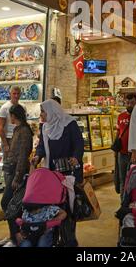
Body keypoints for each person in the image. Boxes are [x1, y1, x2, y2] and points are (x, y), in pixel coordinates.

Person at [31, 99, 84, 246]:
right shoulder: (45, 127)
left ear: (52, 112)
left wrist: (75, 157)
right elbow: (42, 145)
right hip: (52, 174)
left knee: (69, 207)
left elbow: (79, 143)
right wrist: (37, 156)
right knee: (54, 207)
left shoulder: (69, 124)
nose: (41, 114)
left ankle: (69, 239)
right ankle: (53, 237)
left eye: (43, 111)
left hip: (69, 173)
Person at [0, 105, 33, 248]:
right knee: (12, 205)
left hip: (18, 173)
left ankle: (16, 236)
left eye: (11, 116)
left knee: (8, 203)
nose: (9, 118)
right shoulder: (19, 129)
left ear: (14, 115)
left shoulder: (24, 131)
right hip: (13, 171)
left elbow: (23, 155)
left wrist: (17, 178)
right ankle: (14, 235)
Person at [0, 86, 27, 179]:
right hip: (8, 138)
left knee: (18, 163)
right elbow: (0, 127)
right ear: (10, 94)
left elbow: (24, 122)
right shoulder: (4, 108)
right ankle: (8, 187)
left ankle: (16, 186)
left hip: (19, 138)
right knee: (8, 165)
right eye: (14, 93)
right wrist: (5, 144)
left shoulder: (23, 107)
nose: (16, 96)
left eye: (18, 93)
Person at [115, 93, 136, 199]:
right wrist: (116, 149)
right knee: (123, 179)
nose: (129, 105)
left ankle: (133, 201)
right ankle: (123, 203)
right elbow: (118, 132)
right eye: (127, 103)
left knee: (135, 179)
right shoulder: (120, 116)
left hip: (135, 154)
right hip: (122, 153)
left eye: (132, 103)